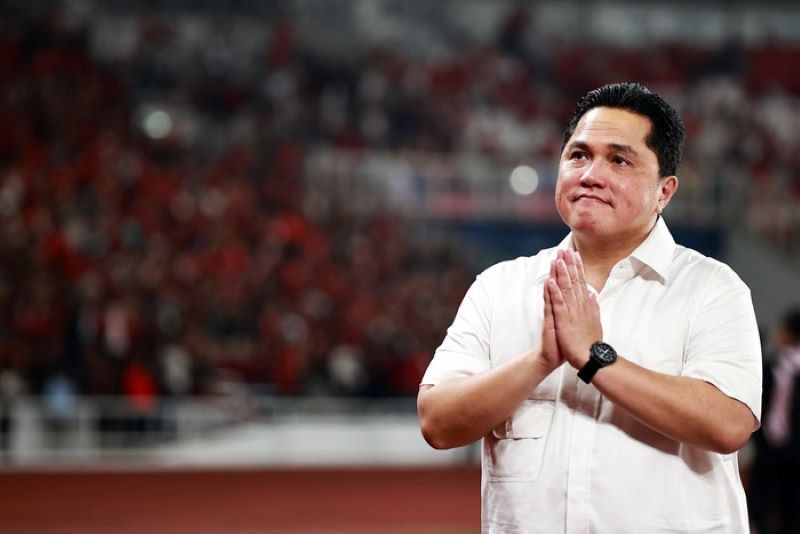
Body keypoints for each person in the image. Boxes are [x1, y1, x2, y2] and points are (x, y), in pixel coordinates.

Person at [417, 82, 762, 533]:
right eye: (579, 155)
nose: (590, 175)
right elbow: (437, 422)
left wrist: (596, 358)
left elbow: (728, 422)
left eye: (619, 160)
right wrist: (540, 361)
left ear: (664, 191)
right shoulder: (499, 287)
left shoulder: (711, 288)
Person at [748, 306, 800, 534]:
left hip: (794, 451)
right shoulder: (770, 366)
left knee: (790, 511)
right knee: (759, 505)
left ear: (787, 333)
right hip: (767, 446)